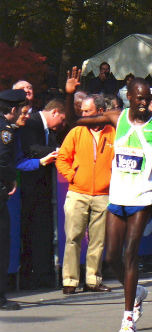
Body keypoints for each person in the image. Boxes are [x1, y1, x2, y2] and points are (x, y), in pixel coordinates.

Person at [75, 78, 152, 332]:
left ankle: (128, 317)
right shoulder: (115, 118)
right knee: (111, 256)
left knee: (130, 254)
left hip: (143, 198)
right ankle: (137, 291)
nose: (144, 104)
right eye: (139, 99)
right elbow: (75, 121)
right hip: (118, 198)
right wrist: (69, 95)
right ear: (129, 97)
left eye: (147, 99)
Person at [56, 94, 115, 295]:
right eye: (81, 111)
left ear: (100, 112)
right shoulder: (76, 131)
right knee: (73, 237)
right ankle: (70, 280)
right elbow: (62, 159)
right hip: (77, 192)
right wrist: (73, 175)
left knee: (98, 240)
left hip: (103, 193)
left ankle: (93, 280)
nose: (83, 114)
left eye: (87, 111)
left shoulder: (113, 132)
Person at [19, 98, 67, 289]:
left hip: (44, 190)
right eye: (62, 120)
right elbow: (31, 150)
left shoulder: (49, 131)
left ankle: (43, 273)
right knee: (31, 233)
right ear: (54, 112)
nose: (62, 125)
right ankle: (30, 275)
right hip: (30, 187)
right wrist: (57, 151)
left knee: (43, 232)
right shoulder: (31, 123)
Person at [0, 89, 28, 310]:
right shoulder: (5, 130)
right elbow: (3, 161)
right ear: (12, 109)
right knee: (2, 242)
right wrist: (11, 180)